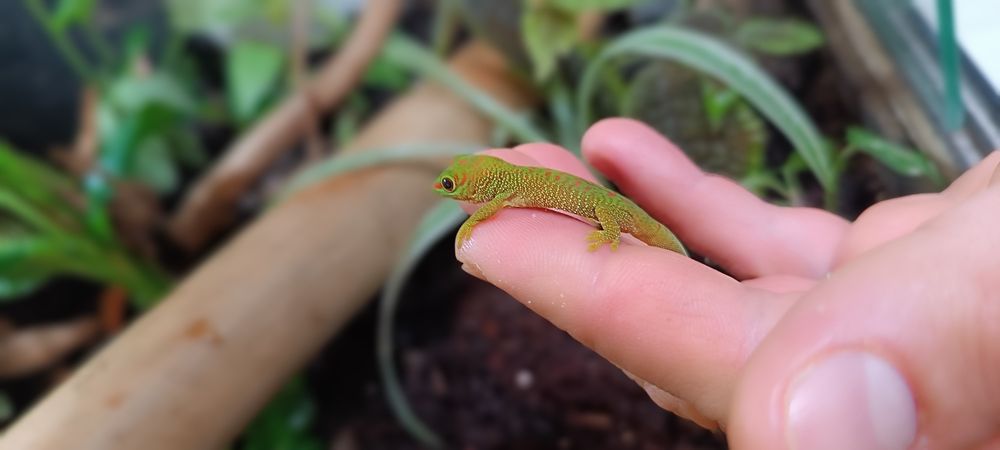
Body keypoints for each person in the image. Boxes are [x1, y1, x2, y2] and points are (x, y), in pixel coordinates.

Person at [453, 118, 1000, 450]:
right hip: (607, 209)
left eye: (451, 185)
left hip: (608, 212)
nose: (445, 189)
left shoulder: (501, 192)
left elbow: (494, 208)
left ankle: (652, 249)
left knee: (653, 248)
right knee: (664, 258)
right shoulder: (508, 186)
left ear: (476, 184)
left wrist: (474, 220)